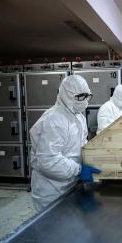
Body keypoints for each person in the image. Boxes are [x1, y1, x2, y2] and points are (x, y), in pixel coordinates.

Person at [29, 75, 101, 211]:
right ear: (67, 95)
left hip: (71, 184)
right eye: (80, 96)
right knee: (53, 229)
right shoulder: (54, 120)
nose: (85, 101)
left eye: (87, 96)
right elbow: (48, 161)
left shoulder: (78, 116)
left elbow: (81, 142)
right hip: (51, 190)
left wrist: (89, 158)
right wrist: (79, 170)